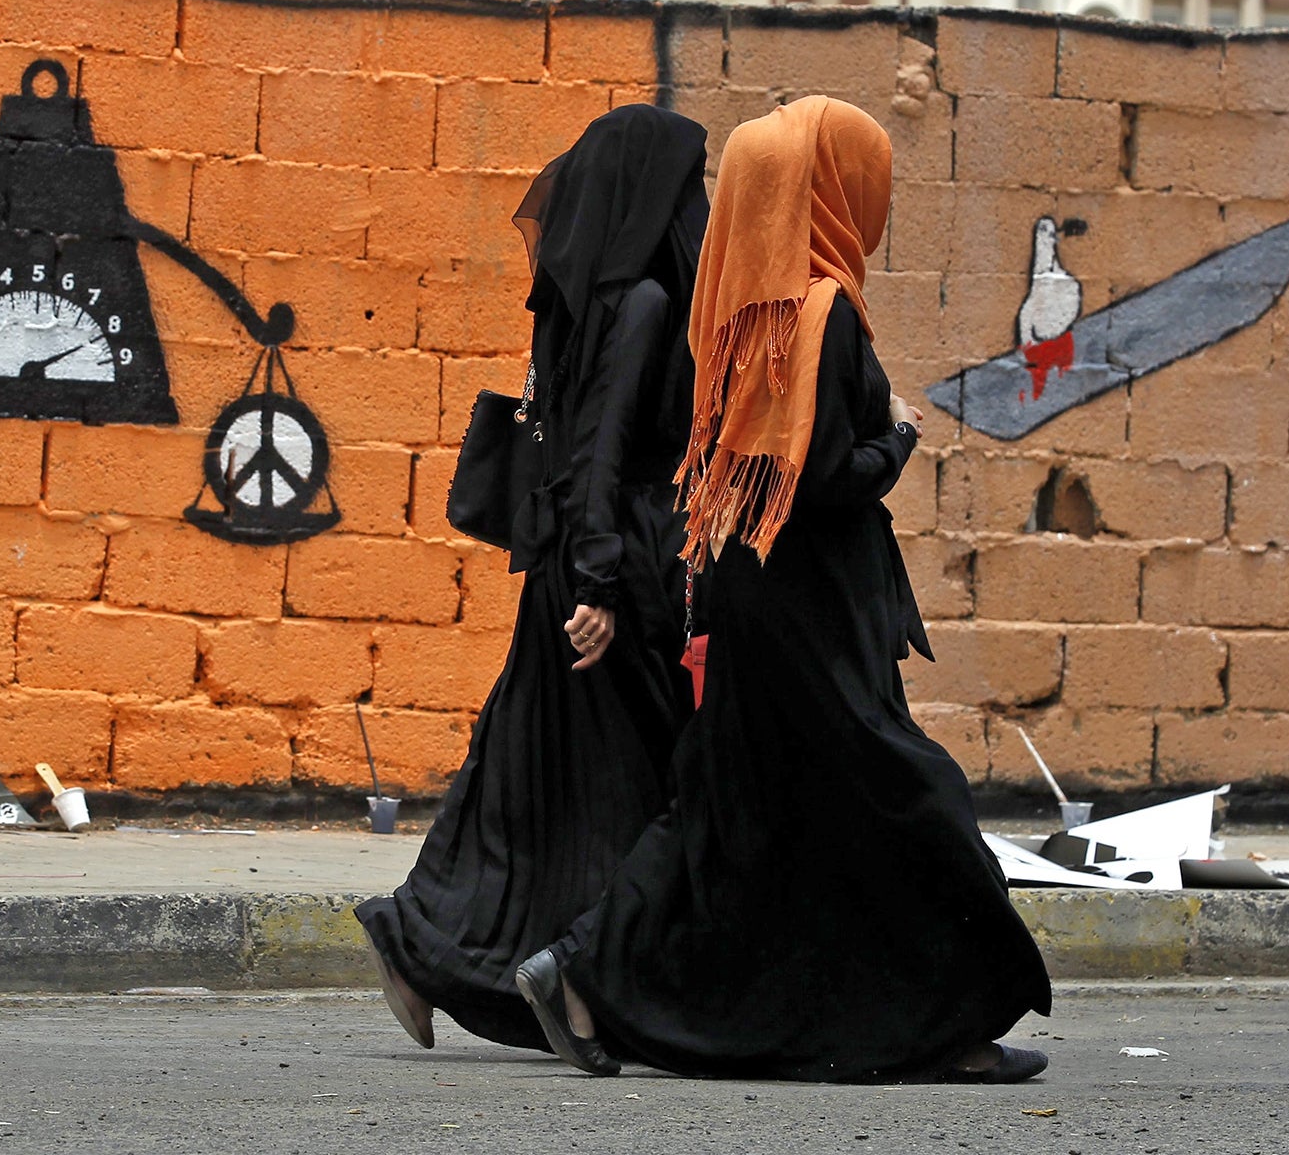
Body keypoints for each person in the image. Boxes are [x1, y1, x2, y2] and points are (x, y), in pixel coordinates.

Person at [515, 96, 1053, 1084]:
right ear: (830, 192)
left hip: (749, 593)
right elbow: (819, 481)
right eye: (862, 175)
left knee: (731, 805)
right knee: (907, 795)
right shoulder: (822, 315)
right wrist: (897, 438)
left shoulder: (738, 320)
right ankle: (946, 1022)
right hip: (809, 605)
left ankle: (579, 968)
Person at [356, 103, 710, 1053]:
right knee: (652, 780)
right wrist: (600, 584)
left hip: (569, 558)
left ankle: (423, 938)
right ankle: (587, 977)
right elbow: (600, 449)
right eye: (691, 182)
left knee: (525, 770)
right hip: (609, 563)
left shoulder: (578, 295)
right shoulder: (641, 302)